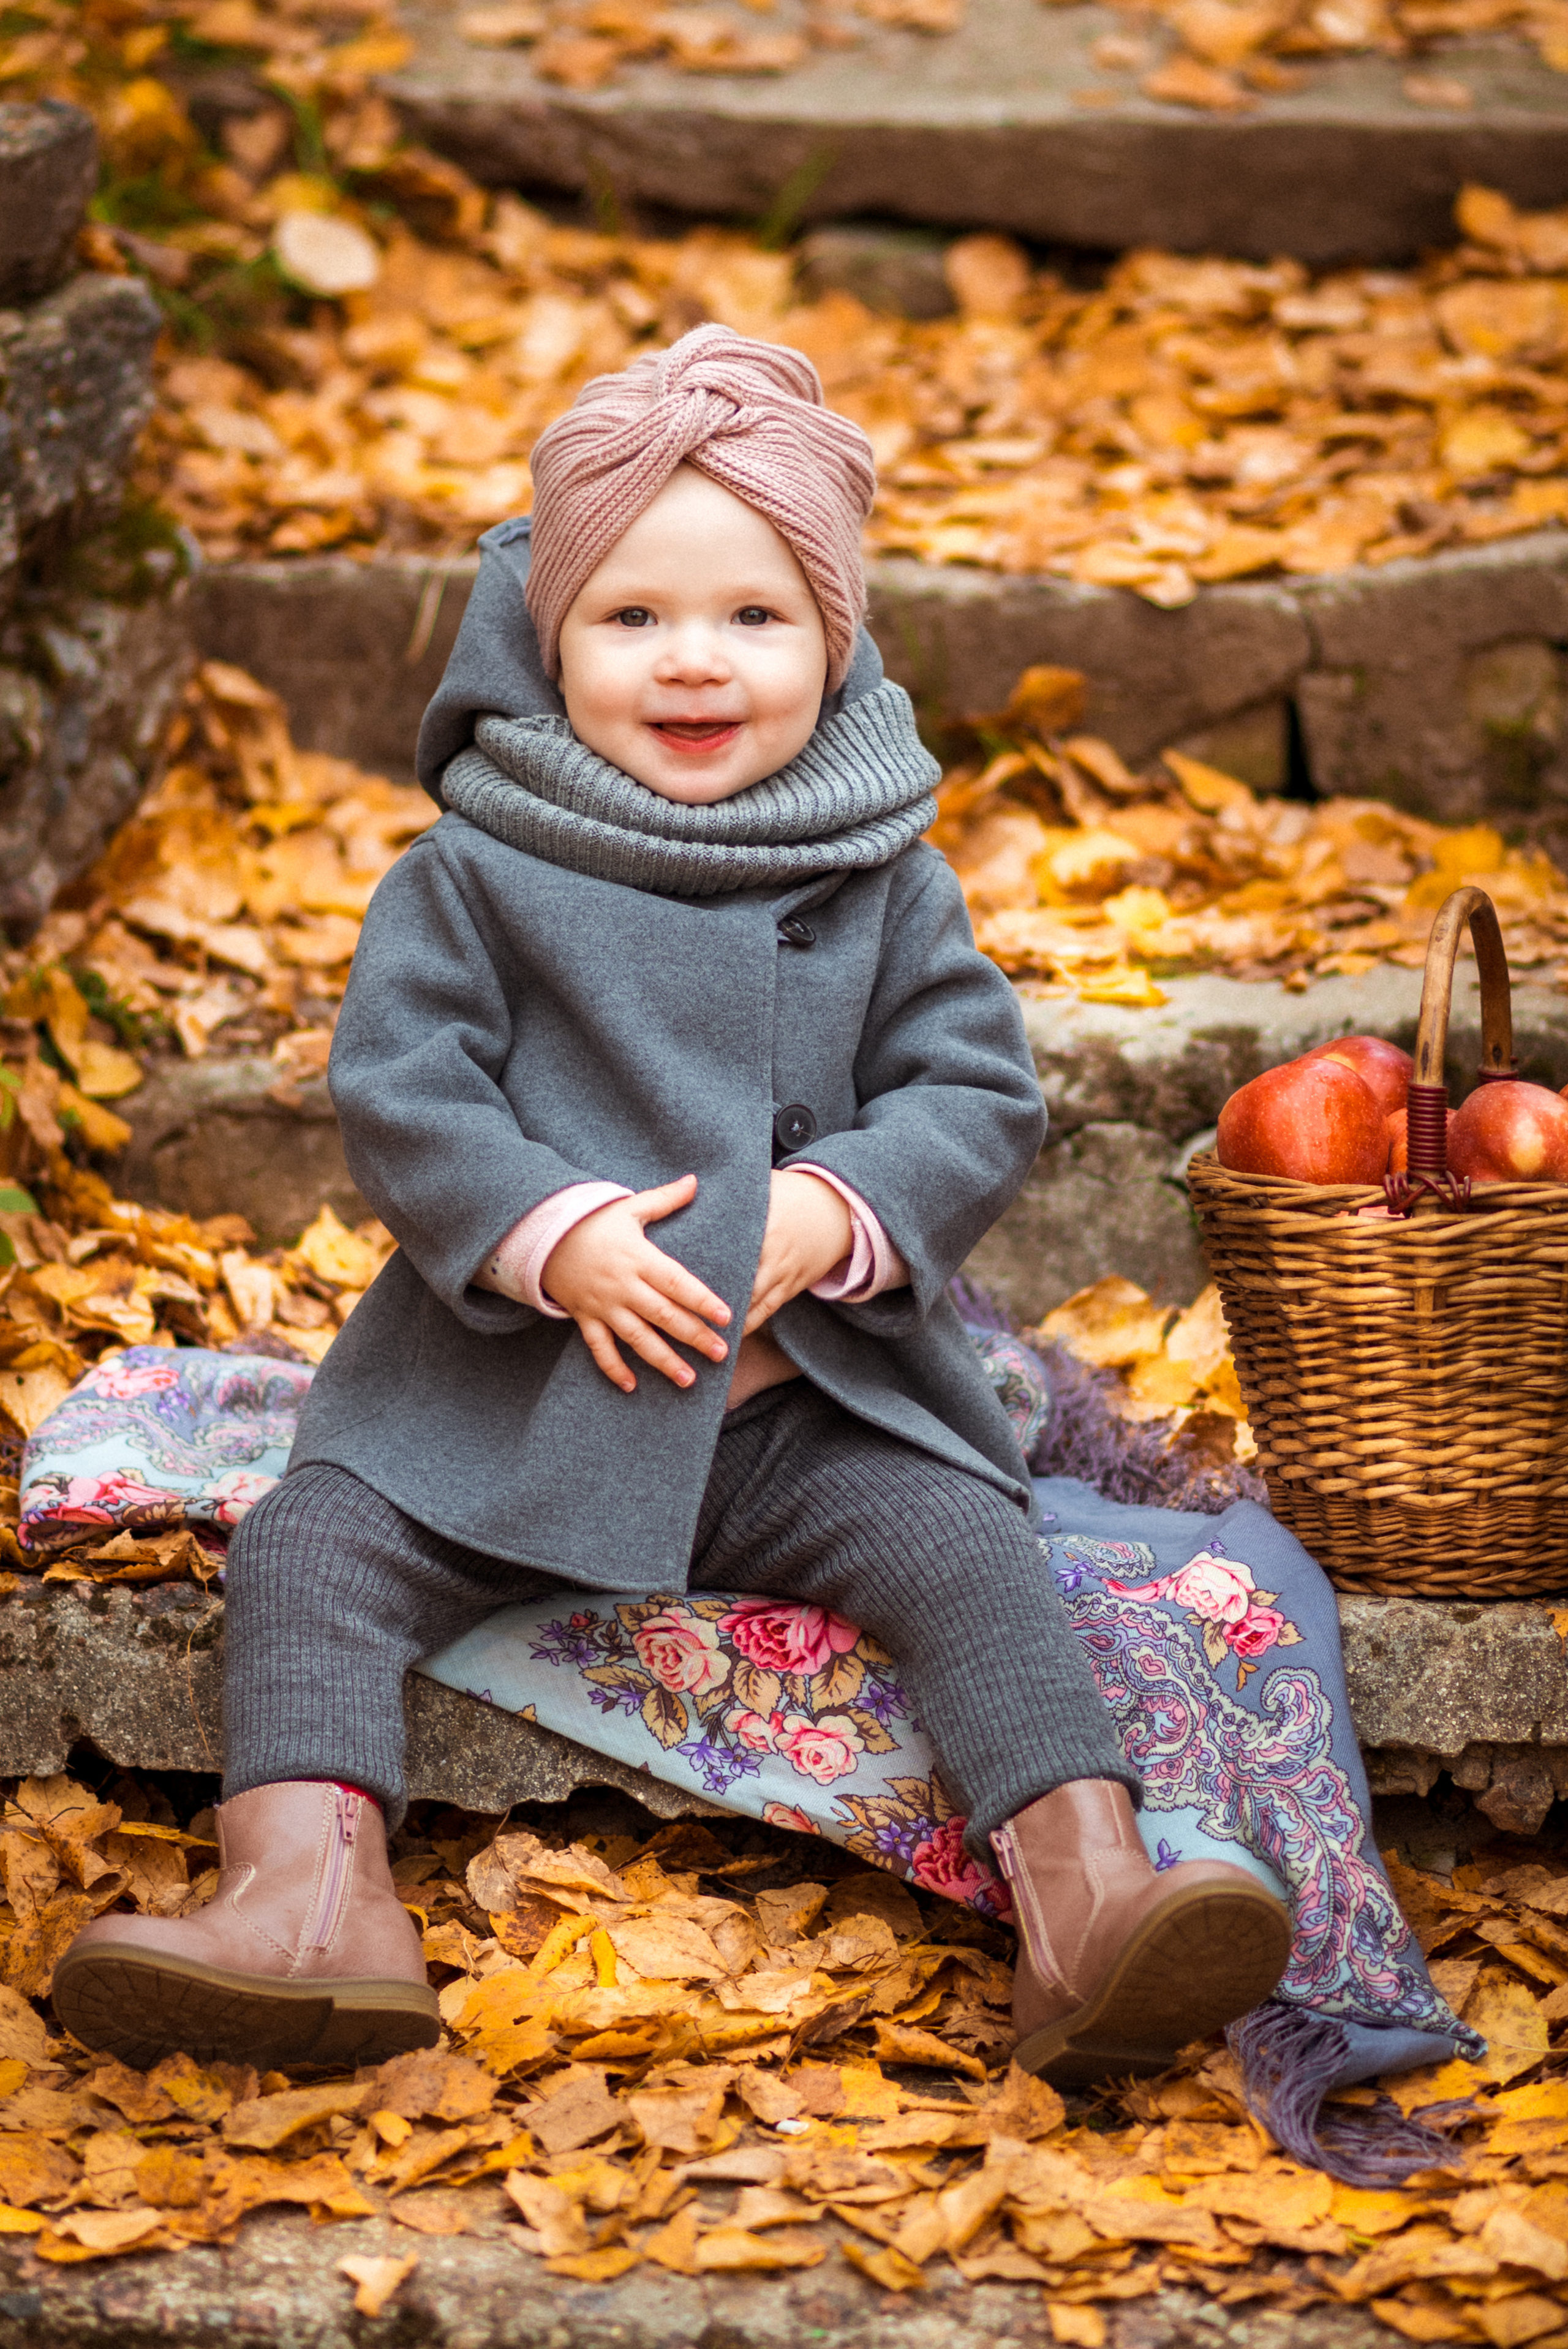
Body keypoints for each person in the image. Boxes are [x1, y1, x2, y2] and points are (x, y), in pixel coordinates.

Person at [55, 327, 1289, 2081]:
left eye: (755, 618)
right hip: (512, 1410)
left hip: (801, 1417)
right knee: (314, 1542)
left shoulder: (881, 869)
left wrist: (838, 1210)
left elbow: (974, 1089)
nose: (694, 660)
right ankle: (308, 1898)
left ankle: (1087, 1898)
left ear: (837, 639)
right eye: (632, 617)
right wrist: (549, 1232)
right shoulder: (478, 867)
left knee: (973, 1553)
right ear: (545, 637)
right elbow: (406, 1090)